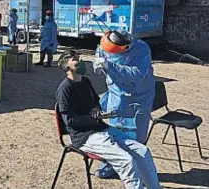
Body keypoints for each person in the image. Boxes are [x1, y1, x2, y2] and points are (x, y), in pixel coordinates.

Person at [56, 50, 161, 189]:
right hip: (84, 138)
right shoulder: (64, 89)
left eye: (79, 58)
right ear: (67, 67)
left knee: (143, 151)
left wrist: (97, 109)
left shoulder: (85, 81)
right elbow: (69, 121)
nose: (80, 62)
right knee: (126, 160)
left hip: (102, 129)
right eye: (75, 60)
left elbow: (95, 101)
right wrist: (94, 119)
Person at [93, 30, 156, 179]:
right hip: (116, 94)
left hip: (138, 97)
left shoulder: (141, 50)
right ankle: (113, 164)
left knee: (135, 134)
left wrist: (109, 66)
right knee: (114, 131)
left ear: (125, 48)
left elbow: (136, 75)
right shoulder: (106, 43)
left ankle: (136, 166)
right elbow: (100, 52)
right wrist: (97, 61)